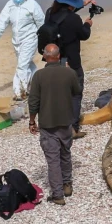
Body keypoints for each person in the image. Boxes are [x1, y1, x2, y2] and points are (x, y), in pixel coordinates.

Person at [28, 44, 83, 205]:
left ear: (45, 56)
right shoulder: (69, 73)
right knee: (65, 153)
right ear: (58, 56)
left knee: (53, 159)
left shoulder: (39, 76)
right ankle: (67, 184)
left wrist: (32, 120)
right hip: (66, 121)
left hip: (48, 123)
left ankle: (57, 194)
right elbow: (77, 91)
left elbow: (33, 102)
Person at [0, 0, 45, 99]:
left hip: (30, 38)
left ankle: (21, 92)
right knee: (26, 63)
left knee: (22, 66)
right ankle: (36, 84)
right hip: (16, 40)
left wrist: (44, 38)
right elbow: (2, 21)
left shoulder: (33, 5)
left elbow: (41, 22)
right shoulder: (10, 5)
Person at [45, 0, 95, 93]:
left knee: (58, 91)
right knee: (76, 92)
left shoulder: (50, 13)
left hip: (53, 57)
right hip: (71, 60)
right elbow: (84, 35)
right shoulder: (74, 19)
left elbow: (63, 15)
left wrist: (82, 5)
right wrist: (87, 24)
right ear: (71, 5)